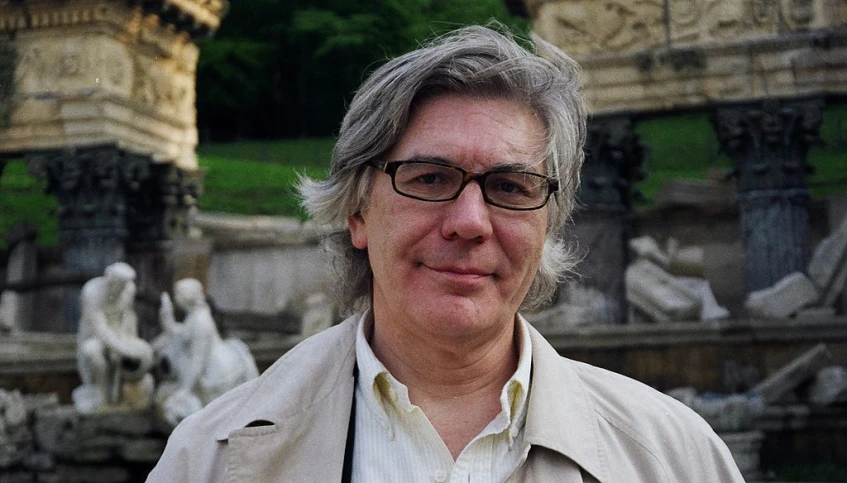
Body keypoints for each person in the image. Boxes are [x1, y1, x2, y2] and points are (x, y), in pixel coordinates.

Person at [148, 25, 744, 482]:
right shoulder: (208, 459)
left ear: (546, 226)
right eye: (430, 178)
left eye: (511, 187)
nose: (469, 222)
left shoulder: (675, 458)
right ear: (357, 211)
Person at [74, 262, 154, 413]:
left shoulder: (128, 289)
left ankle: (120, 396)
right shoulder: (92, 291)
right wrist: (125, 349)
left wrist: (130, 343)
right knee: (92, 352)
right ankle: (101, 395)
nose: (122, 289)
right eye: (119, 284)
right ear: (109, 281)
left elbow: (129, 317)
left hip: (120, 336)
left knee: (140, 353)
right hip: (95, 338)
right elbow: (100, 329)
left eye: (124, 285)